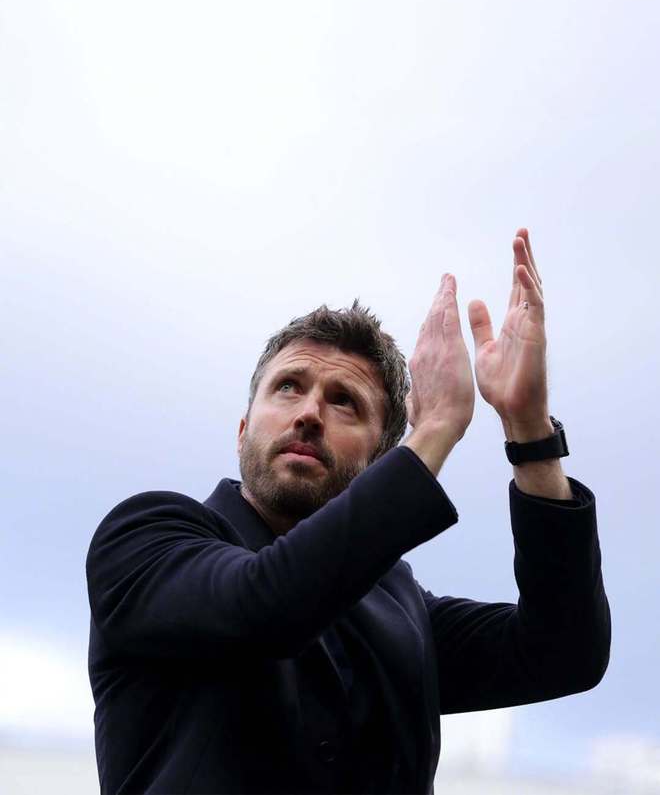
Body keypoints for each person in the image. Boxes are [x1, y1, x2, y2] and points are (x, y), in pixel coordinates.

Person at [86, 228, 611, 795]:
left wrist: (529, 431)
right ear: (242, 431)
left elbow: (565, 653)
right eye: (288, 387)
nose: (309, 413)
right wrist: (436, 428)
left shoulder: (399, 605)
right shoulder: (144, 539)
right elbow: (264, 606)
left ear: (381, 461)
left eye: (344, 402)